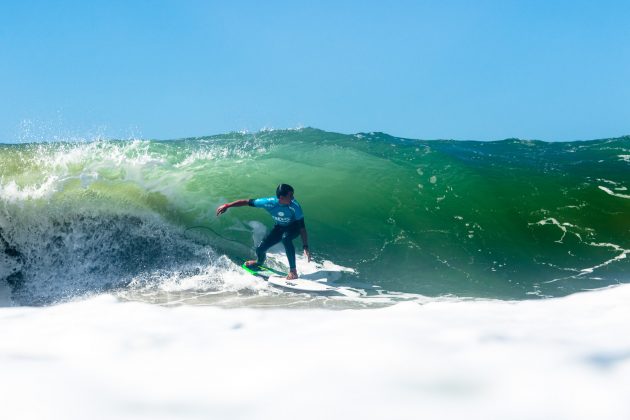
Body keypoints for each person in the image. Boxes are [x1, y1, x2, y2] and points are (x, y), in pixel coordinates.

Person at [216, 184, 310, 280]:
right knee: (260, 249)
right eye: (290, 196)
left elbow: (302, 227)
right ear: (281, 197)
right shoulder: (268, 203)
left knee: (286, 238)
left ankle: (293, 271)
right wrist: (228, 205)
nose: (293, 198)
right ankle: (259, 262)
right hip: (279, 227)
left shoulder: (295, 206)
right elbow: (246, 202)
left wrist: (305, 246)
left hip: (294, 228)